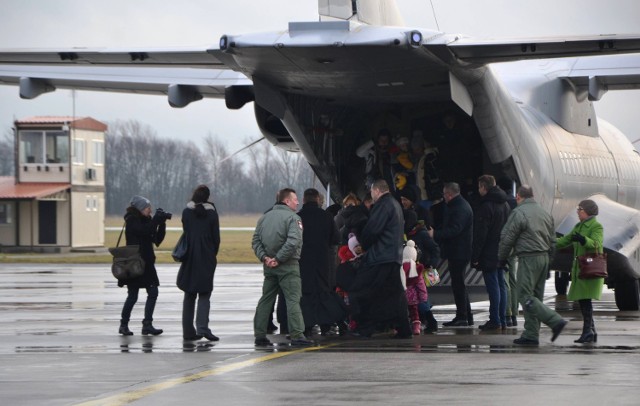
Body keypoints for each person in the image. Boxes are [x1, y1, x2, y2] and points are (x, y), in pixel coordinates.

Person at [498, 185, 568, 346]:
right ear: (533, 195)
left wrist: (502, 258)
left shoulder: (519, 213)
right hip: (543, 258)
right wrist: (549, 261)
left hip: (528, 258)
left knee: (524, 295)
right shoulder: (545, 213)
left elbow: (507, 238)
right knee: (535, 298)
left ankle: (555, 321)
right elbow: (552, 241)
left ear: (518, 197)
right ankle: (531, 334)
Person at [349, 179, 412, 338]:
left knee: (361, 290)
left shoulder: (383, 205)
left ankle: (365, 327)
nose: (372, 195)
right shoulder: (395, 205)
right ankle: (404, 328)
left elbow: (372, 231)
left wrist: (363, 241)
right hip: (393, 257)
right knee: (394, 295)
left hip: (379, 257)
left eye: (371, 192)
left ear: (376, 191)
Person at [251, 188, 313, 346]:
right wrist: (278, 259)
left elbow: (256, 241)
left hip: (269, 267)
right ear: (286, 201)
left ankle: (259, 334)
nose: (298, 202)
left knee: (266, 299)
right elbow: (293, 241)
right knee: (293, 300)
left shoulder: (264, 218)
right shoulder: (293, 218)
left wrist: (265, 258)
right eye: (295, 199)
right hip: (288, 265)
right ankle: (297, 334)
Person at [297, 188, 345, 336]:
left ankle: (307, 325)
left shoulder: (297, 217)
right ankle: (326, 323)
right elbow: (336, 238)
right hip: (322, 260)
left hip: (303, 260)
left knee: (306, 292)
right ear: (318, 199)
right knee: (323, 291)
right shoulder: (326, 216)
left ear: (304, 200)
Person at [555, 199, 604, 343]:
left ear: (587, 211)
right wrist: (548, 243)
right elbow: (565, 240)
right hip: (581, 271)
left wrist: (584, 240)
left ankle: (587, 331)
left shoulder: (596, 226)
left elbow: (597, 244)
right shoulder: (579, 226)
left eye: (579, 209)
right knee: (584, 301)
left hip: (589, 270)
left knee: (585, 301)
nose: (577, 212)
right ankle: (591, 331)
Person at [176, 185, 221, 341]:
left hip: (189, 256)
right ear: (207, 197)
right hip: (206, 255)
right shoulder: (212, 214)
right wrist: (211, 253)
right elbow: (216, 238)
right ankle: (203, 328)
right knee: (204, 294)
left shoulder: (186, 212)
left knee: (189, 294)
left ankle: (188, 331)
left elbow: (186, 230)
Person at [118, 195, 167, 336]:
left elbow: (156, 239)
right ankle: (124, 325)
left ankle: (147, 324)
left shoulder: (147, 220)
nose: (150, 210)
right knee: (133, 296)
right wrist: (155, 221)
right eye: (147, 208)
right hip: (135, 263)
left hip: (147, 263)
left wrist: (162, 224)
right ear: (139, 209)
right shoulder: (131, 220)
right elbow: (143, 231)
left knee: (153, 292)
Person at [429, 182, 474, 326]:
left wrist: (435, 234)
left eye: (444, 194)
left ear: (448, 194)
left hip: (459, 252)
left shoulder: (459, 207)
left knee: (458, 284)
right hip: (459, 251)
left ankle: (462, 316)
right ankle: (466, 315)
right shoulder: (460, 205)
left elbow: (454, 230)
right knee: (459, 283)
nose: (443, 197)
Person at [471, 175, 511, 331]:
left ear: (483, 187)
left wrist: (475, 256)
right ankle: (503, 319)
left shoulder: (486, 206)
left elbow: (481, 234)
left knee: (493, 287)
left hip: (489, 252)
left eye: (479, 187)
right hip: (502, 250)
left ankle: (495, 320)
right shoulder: (505, 204)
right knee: (501, 286)